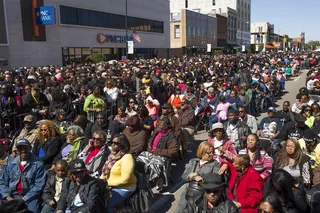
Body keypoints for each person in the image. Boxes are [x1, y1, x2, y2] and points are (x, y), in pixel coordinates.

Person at [0, 139, 46, 213]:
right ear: (17, 151)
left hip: (30, 197)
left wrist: (23, 200)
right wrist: (8, 196)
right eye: (20, 148)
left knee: (31, 211)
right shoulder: (11, 163)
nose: (23, 150)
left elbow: (39, 185)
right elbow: (2, 182)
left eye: (25, 148)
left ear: (30, 148)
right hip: (12, 195)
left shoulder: (38, 163)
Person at [176, 142, 220, 212]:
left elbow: (214, 178)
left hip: (202, 194)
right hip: (188, 191)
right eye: (209, 152)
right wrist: (194, 177)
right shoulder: (193, 161)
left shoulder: (215, 164)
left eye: (213, 152)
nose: (212, 154)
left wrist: (198, 174)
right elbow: (184, 176)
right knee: (180, 210)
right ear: (202, 152)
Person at [137, 117, 178, 190]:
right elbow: (151, 140)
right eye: (158, 123)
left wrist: (158, 151)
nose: (159, 125)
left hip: (162, 155)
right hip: (151, 152)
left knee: (155, 164)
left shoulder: (171, 136)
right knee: (139, 159)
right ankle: (142, 179)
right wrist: (149, 146)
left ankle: (159, 183)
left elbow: (173, 151)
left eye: (161, 124)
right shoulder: (157, 131)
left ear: (166, 126)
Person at [99, 134, 137, 213]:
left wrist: (107, 183)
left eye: (116, 143)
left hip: (125, 187)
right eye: (112, 142)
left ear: (122, 145)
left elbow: (125, 180)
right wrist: (98, 182)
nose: (113, 144)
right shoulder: (112, 155)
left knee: (108, 204)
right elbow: (105, 172)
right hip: (110, 185)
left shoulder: (127, 158)